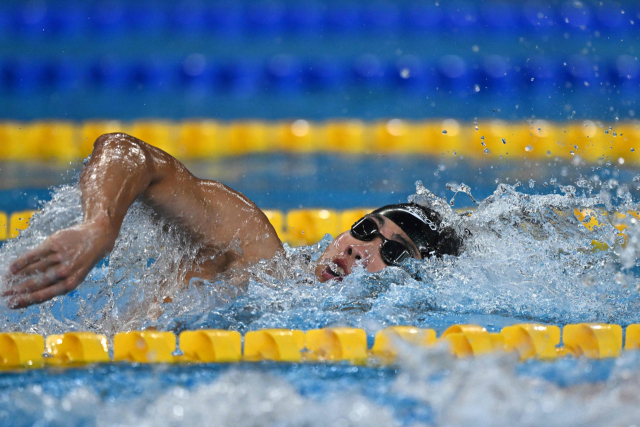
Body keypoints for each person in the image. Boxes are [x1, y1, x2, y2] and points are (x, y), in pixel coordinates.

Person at [2, 133, 463, 309]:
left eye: (393, 252)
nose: (360, 249)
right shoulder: (252, 251)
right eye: (365, 230)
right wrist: (99, 225)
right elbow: (129, 153)